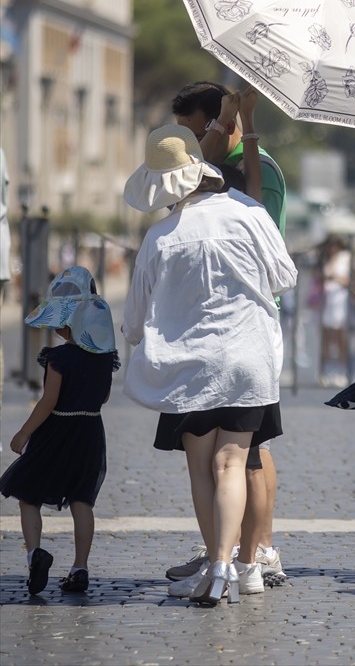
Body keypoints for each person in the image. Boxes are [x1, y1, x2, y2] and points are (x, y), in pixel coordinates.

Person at [123, 124, 297, 605]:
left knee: (202, 467)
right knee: (233, 463)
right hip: (247, 358)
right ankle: (238, 567)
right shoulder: (250, 213)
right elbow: (284, 277)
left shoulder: (160, 237)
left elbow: (134, 318)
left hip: (187, 366)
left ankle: (216, 568)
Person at [167, 82, 289, 586]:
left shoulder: (250, 173)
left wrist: (236, 125)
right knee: (236, 454)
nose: (194, 143)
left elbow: (261, 221)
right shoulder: (224, 169)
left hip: (244, 327)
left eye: (200, 129)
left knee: (247, 453)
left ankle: (253, 553)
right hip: (218, 330)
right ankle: (228, 550)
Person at [0, 267, 119, 595]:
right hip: (90, 430)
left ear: (68, 323)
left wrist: (23, 433)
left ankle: (35, 554)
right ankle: (80, 567)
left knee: (28, 494)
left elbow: (47, 401)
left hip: (56, 431)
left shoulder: (59, 358)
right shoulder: (104, 358)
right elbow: (105, 396)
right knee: (82, 500)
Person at [317, 235, 352, 388]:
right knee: (326, 338)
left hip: (340, 300)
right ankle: (324, 372)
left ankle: (341, 371)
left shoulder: (346, 258)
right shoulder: (325, 259)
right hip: (327, 301)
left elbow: (349, 280)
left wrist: (334, 277)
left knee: (339, 338)